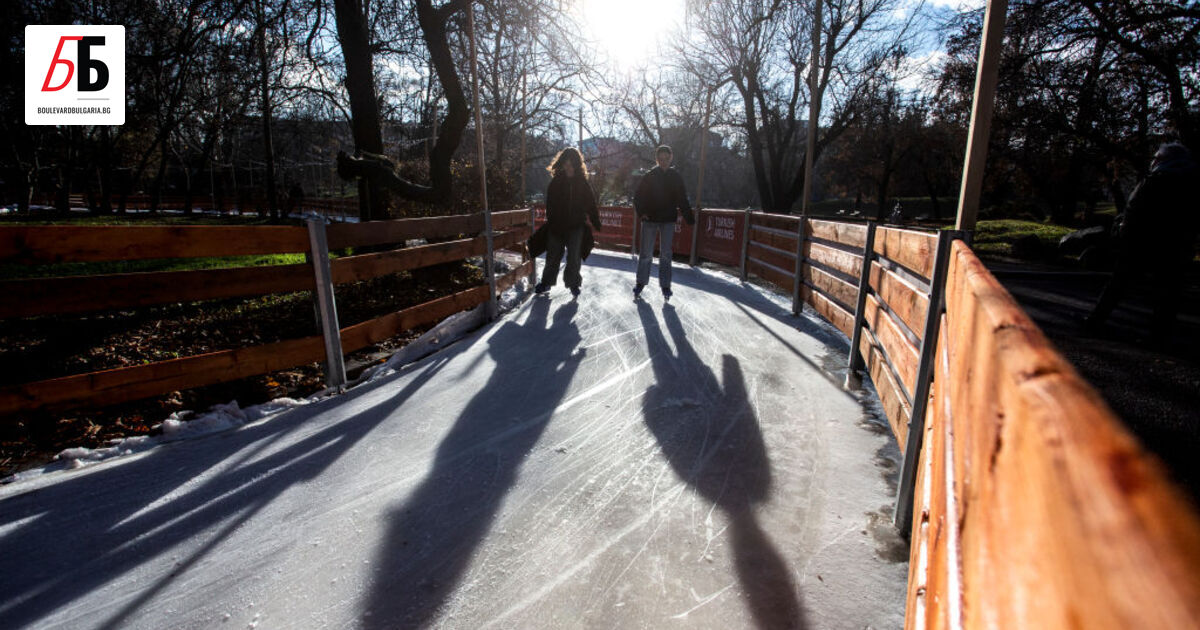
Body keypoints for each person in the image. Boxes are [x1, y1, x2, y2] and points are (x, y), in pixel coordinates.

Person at [1085, 142, 1199, 342]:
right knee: (1168, 291)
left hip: (1142, 243)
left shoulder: (1157, 179)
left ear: (1163, 159)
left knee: (1119, 284)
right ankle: (1159, 335)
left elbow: (1136, 211)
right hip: (1178, 246)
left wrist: (1124, 232)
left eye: (1156, 157)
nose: (1153, 160)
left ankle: (1095, 321)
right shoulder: (1192, 182)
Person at [536, 147, 601, 297]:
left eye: (571, 162)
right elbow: (550, 204)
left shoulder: (582, 182)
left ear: (576, 164)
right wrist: (552, 221)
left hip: (576, 225)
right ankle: (546, 283)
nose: (568, 165)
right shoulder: (556, 181)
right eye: (566, 162)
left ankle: (573, 284)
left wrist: (595, 219)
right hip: (557, 225)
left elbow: (590, 202)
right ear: (562, 163)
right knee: (553, 255)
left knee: (574, 256)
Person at [633, 145, 695, 300]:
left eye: (666, 159)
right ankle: (641, 282)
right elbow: (638, 197)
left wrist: (689, 217)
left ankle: (666, 285)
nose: (664, 162)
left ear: (671, 158)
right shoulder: (650, 175)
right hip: (650, 220)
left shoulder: (675, 176)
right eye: (661, 159)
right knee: (646, 253)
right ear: (657, 159)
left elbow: (682, 198)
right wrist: (642, 213)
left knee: (666, 254)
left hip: (668, 220)